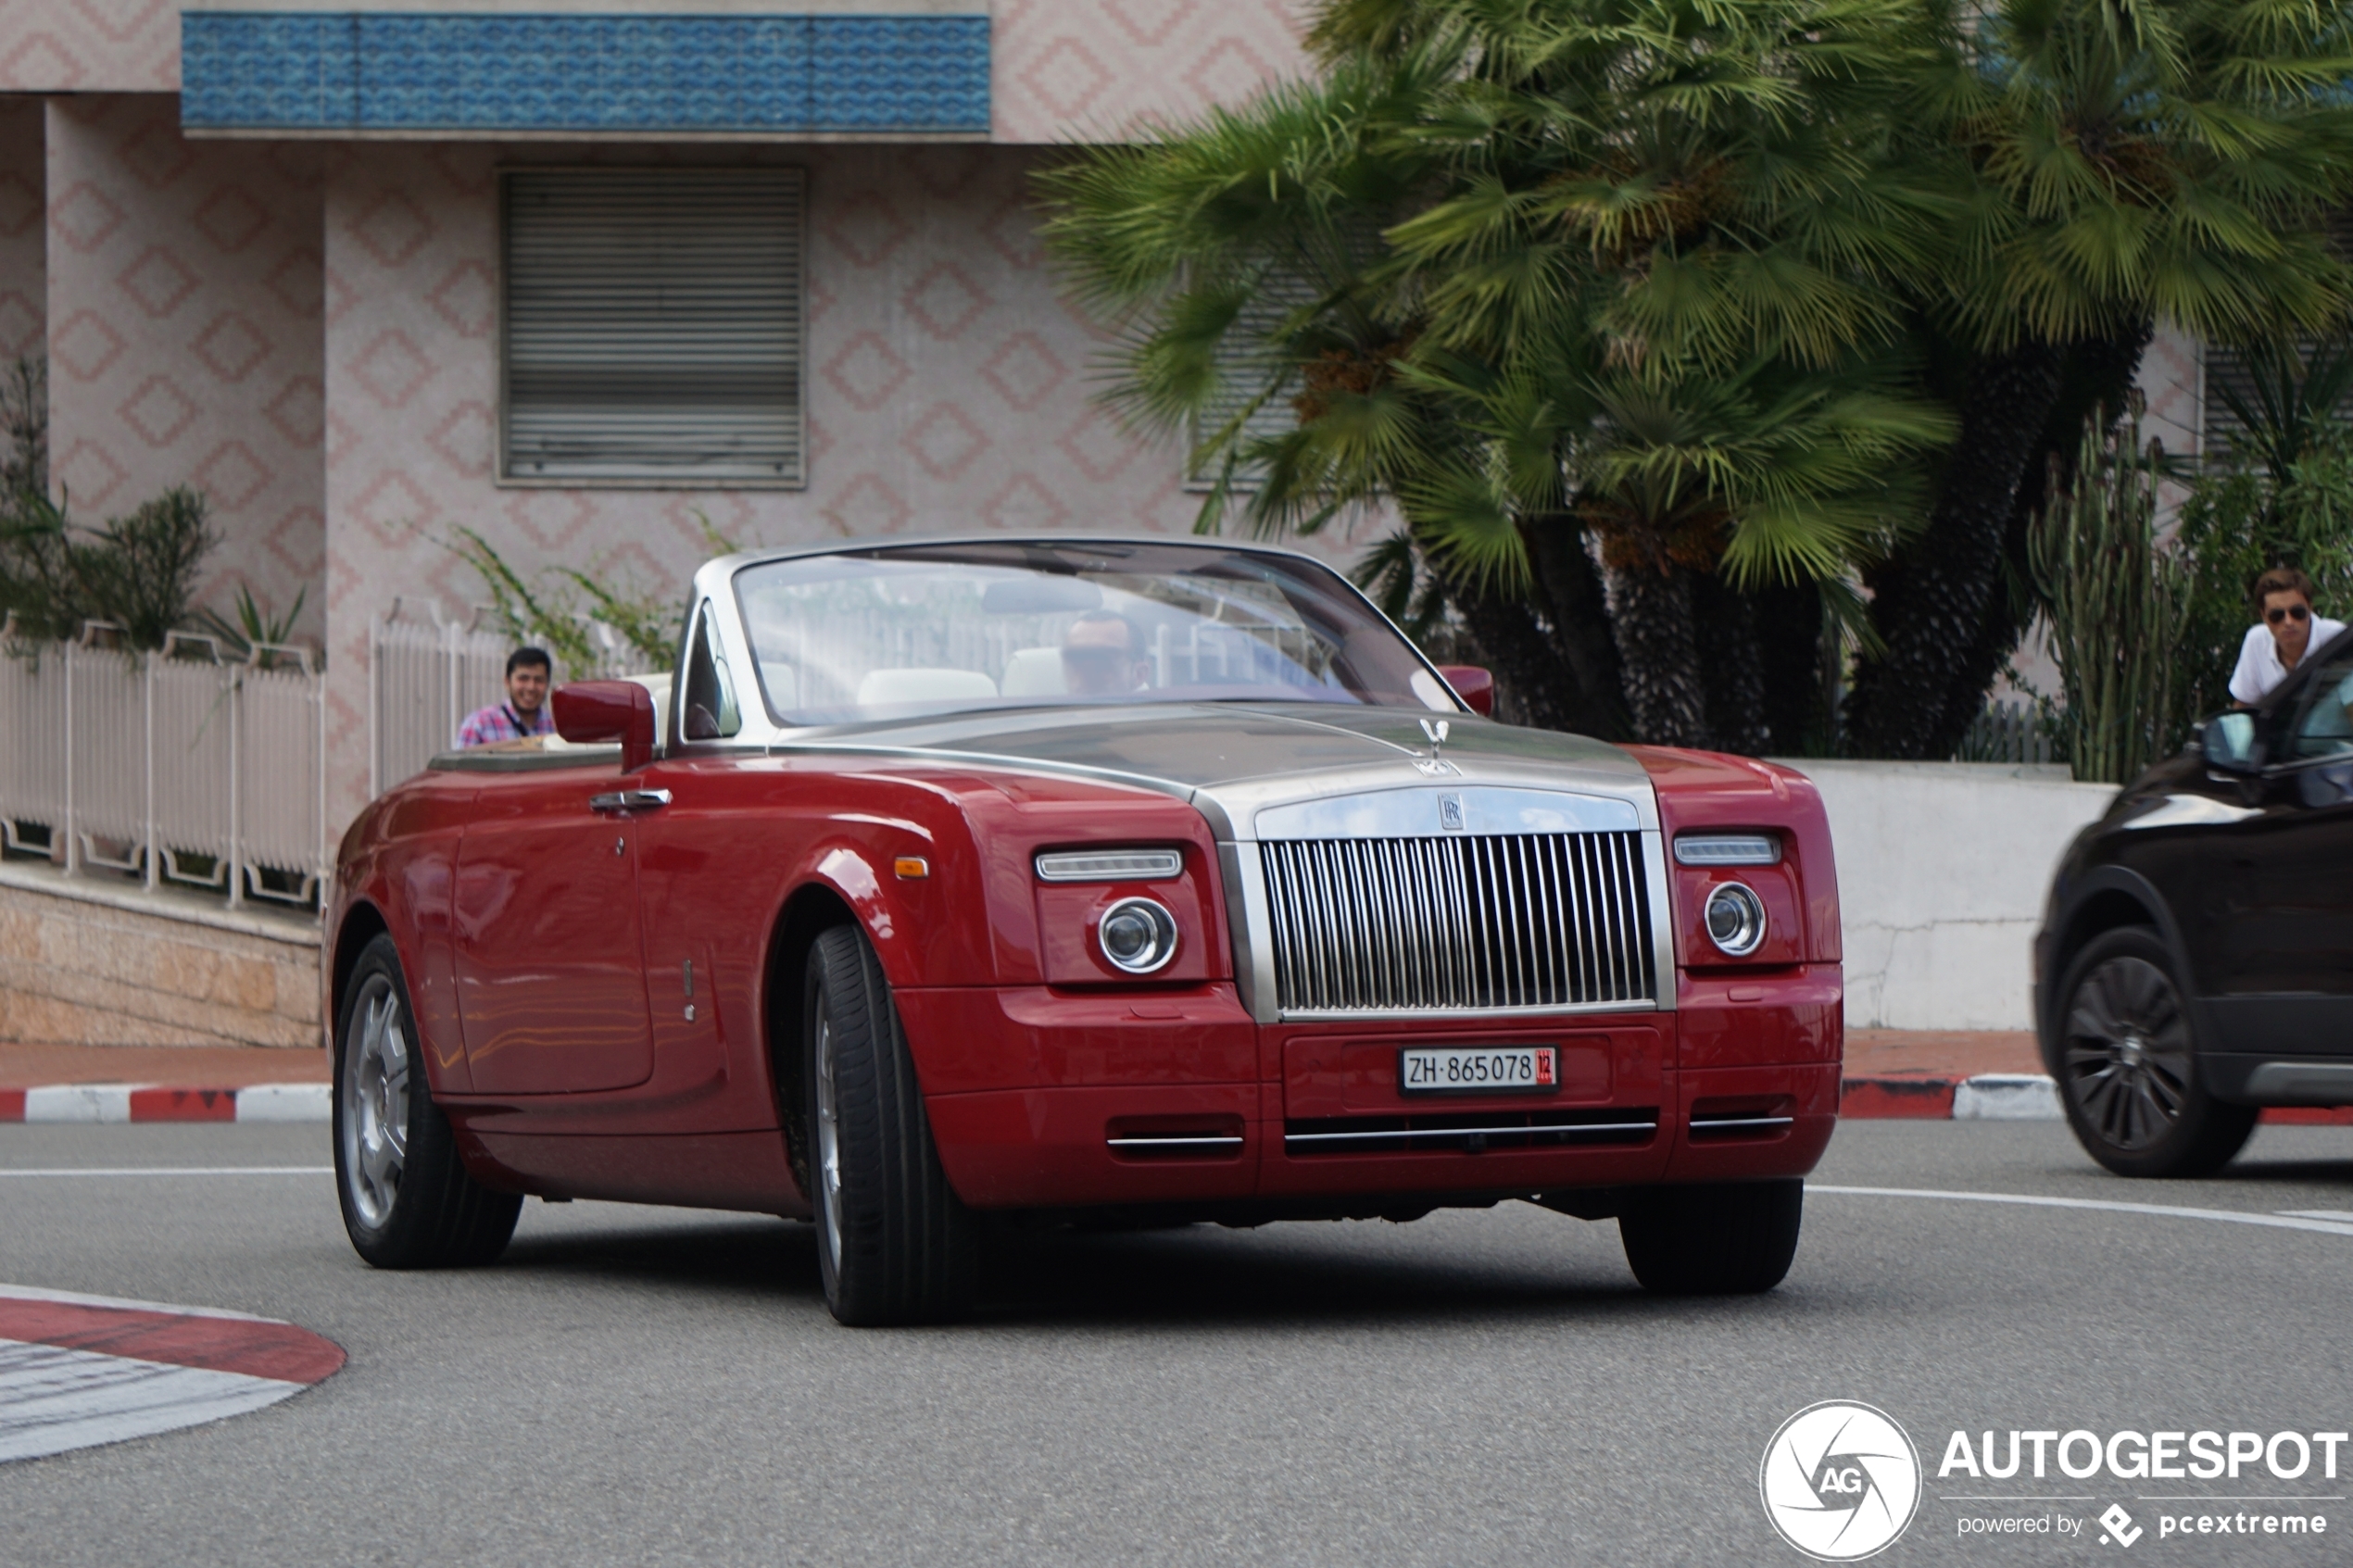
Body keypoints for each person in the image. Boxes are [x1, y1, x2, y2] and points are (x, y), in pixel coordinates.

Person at [2229, 568, 2346, 707]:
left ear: (2310, 608)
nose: (2288, 622)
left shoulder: (2337, 638)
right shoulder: (2256, 641)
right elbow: (2244, 704)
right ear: (2263, 616)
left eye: (2297, 612)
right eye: (2277, 616)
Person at [456, 646, 555, 746]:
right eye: (523, 679)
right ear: (507, 682)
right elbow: (459, 762)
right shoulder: (478, 725)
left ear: (547, 684)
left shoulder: (556, 727)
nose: (531, 687)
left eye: (539, 680)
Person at [1061, 610, 1151, 697]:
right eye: (1076, 659)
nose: (1087, 672)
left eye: (1103, 659)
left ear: (1139, 674)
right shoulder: (1051, 709)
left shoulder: (1160, 711)